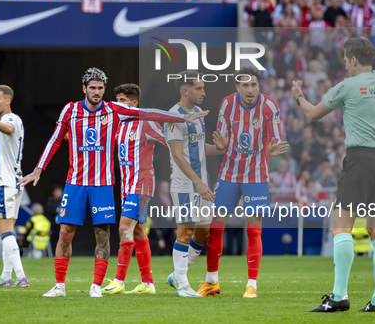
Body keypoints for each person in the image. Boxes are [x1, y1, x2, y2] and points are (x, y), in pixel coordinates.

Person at [19, 67, 205, 298]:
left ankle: (99, 285)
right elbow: (56, 139)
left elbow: (148, 113)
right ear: (84, 88)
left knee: (106, 233)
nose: (97, 92)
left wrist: (182, 117)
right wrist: (39, 169)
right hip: (75, 183)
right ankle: (59, 286)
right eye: (93, 88)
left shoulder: (113, 110)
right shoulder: (71, 110)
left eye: (100, 88)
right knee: (66, 231)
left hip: (106, 184)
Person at [291, 38, 375, 313]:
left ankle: (339, 296)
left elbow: (311, 114)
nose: (345, 65)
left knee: (341, 228)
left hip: (359, 160)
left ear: (354, 60)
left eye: (346, 60)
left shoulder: (347, 85)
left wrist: (297, 94)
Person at [201, 67, 288, 298]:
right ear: (237, 87)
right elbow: (221, 143)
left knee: (254, 229)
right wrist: (221, 145)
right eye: (245, 85)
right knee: (216, 227)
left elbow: (276, 140)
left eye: (254, 85)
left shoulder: (269, 106)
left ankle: (252, 285)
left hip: (256, 175)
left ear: (259, 87)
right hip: (229, 173)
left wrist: (273, 149)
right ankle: (211, 281)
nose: (250, 90)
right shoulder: (227, 104)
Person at [164, 71, 224, 297]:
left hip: (202, 184)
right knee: (186, 232)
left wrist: (220, 148)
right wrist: (198, 183)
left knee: (203, 234)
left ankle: (176, 274)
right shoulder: (173, 117)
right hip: (185, 185)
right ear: (185, 90)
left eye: (203, 88)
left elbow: (198, 149)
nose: (203, 92)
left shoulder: (198, 113)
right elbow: (178, 156)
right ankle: (182, 285)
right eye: (198, 88)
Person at [102, 83, 166, 295]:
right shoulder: (119, 125)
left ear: (134, 103)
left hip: (142, 183)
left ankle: (119, 281)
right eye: (117, 101)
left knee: (123, 229)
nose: (117, 105)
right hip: (126, 186)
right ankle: (148, 283)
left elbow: (170, 141)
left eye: (122, 101)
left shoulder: (145, 123)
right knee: (138, 232)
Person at [0, 85, 29, 287]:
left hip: (4, 182)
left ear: (7, 101)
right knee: (7, 228)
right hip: (15, 181)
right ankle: (5, 276)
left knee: (4, 231)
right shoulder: (6, 121)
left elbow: (9, 129)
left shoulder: (10, 120)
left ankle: (21, 277)